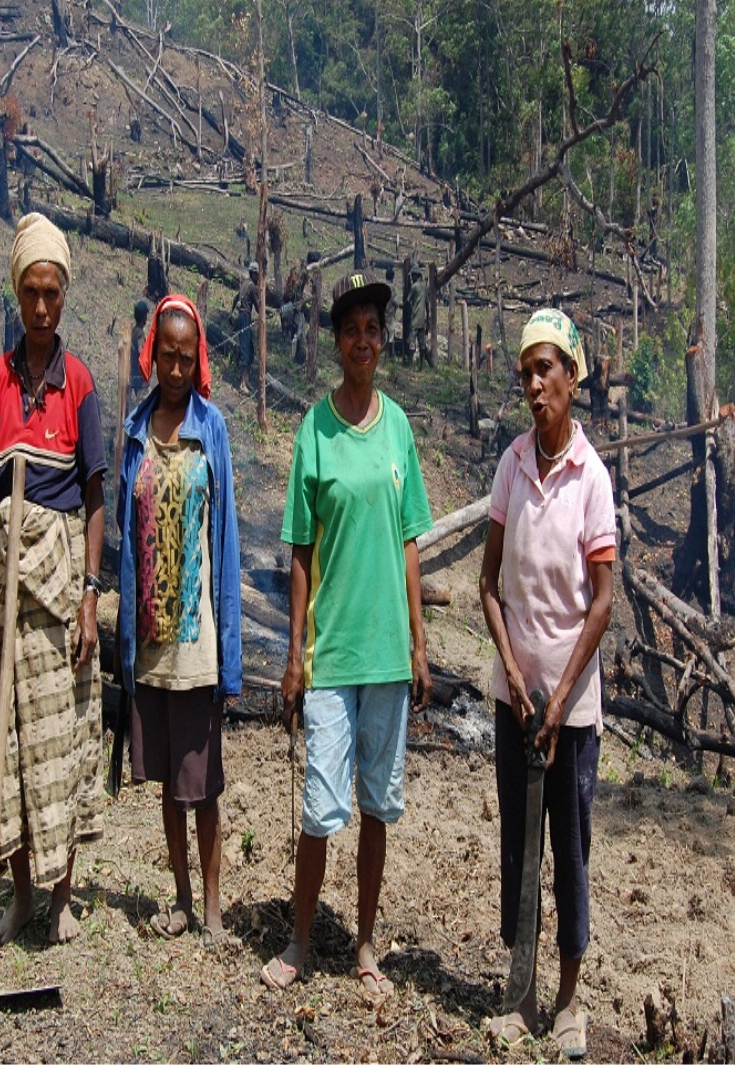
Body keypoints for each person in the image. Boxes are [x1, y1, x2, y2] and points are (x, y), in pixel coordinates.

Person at [260, 271, 433, 999]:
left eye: (373, 328)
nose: (363, 339)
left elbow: (408, 545)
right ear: (335, 341)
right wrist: (296, 655)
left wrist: (421, 646)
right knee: (318, 804)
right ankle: (301, 939)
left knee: (376, 805)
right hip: (331, 653)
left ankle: (365, 944)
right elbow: (300, 550)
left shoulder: (399, 430)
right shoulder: (314, 430)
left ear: (382, 341)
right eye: (351, 328)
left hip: (388, 653)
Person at [478, 308, 616, 1059]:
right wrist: (512, 672)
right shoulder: (513, 465)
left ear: (572, 377)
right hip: (517, 698)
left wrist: (561, 697)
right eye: (526, 372)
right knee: (517, 843)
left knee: (568, 842)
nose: (534, 385)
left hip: (572, 706)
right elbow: (488, 583)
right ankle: (519, 989)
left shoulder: (590, 478)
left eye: (547, 370)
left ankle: (568, 999)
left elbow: (602, 599)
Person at [0, 211, 106, 945]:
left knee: (68, 739)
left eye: (53, 292)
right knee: (15, 741)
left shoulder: (80, 382)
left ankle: (62, 895)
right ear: (17, 294)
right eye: (31, 292)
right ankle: (20, 892)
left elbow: (94, 497)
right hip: (11, 592)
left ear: (64, 295)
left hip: (61, 589)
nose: (43, 306)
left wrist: (89, 598)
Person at [116, 294, 243, 949]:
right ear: (152, 354)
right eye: (165, 353)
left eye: (184, 355)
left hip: (196, 639)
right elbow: (121, 531)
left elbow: (225, 538)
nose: (173, 365)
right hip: (150, 638)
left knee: (204, 782)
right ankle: (181, 898)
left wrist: (232, 650)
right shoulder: (137, 426)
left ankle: (215, 905)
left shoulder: (210, 428)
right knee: (168, 777)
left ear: (198, 361)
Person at [230, 261, 259, 393]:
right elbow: (258, 308)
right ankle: (242, 384)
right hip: (245, 317)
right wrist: (266, 312)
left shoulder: (244, 284)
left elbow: (235, 300)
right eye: (257, 274)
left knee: (250, 350)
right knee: (246, 351)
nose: (258, 277)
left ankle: (246, 380)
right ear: (253, 273)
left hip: (241, 317)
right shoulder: (252, 286)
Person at [406, 265, 432, 368]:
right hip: (422, 320)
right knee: (422, 344)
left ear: (415, 276)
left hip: (414, 319)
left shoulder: (414, 287)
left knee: (412, 343)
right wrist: (428, 317)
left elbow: (408, 301)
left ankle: (411, 365)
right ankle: (421, 366)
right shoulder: (424, 287)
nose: (411, 278)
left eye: (412, 276)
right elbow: (427, 304)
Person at [129, 299, 151, 403]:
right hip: (138, 377)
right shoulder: (140, 334)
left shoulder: (133, 331)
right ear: (144, 318)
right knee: (147, 403)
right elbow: (141, 351)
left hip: (131, 374)